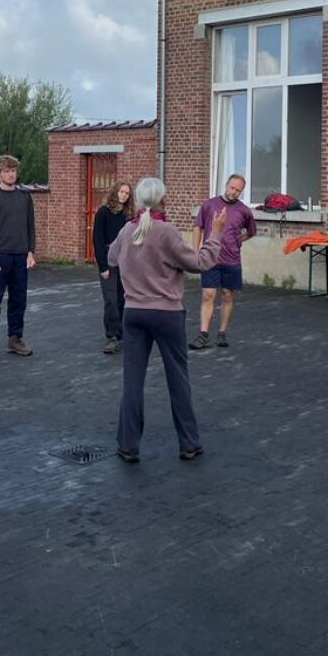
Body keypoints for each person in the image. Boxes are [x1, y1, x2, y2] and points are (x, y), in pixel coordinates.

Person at [107, 176, 225, 463]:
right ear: (163, 200)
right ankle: (189, 443)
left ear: (137, 200)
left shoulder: (127, 231)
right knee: (177, 378)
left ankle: (128, 444)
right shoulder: (167, 231)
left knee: (132, 381)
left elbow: (111, 258)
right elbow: (200, 263)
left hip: (133, 312)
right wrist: (216, 233)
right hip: (167, 313)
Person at [189, 174, 257, 349]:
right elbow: (198, 227)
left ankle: (222, 333)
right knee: (208, 295)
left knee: (227, 295)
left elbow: (251, 232)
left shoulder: (244, 210)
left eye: (238, 190)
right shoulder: (209, 205)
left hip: (231, 259)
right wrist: (195, 251)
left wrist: (237, 241)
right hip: (210, 258)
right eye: (232, 187)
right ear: (226, 185)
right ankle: (203, 334)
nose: (234, 192)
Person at [0, 154, 36, 360]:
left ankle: (15, 339)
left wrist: (31, 252)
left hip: (21, 255)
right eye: (6, 171)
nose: (10, 174)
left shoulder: (24, 197)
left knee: (18, 300)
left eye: (13, 170)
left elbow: (30, 226)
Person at [93, 180, 135, 354]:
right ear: (115, 192)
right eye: (122, 192)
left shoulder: (129, 216)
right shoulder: (103, 212)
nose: (124, 195)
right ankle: (112, 336)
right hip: (108, 261)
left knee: (123, 298)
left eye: (127, 193)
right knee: (110, 300)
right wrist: (103, 266)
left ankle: (123, 333)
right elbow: (97, 239)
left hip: (126, 262)